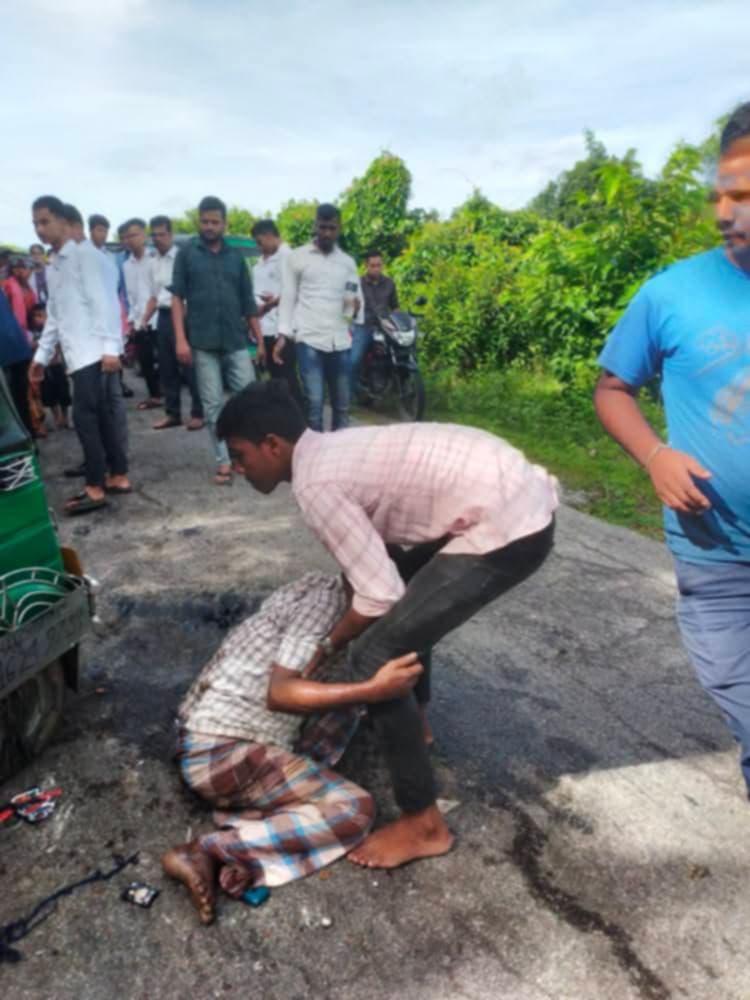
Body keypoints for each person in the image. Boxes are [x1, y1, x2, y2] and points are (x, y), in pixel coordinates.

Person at [217, 381, 558, 868]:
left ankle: (424, 824)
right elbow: (384, 569)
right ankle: (416, 721)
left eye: (240, 455)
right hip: (509, 490)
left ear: (272, 445)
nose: (237, 469)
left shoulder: (314, 485)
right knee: (407, 605)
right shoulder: (327, 450)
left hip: (510, 524)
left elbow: (378, 596)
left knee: (372, 655)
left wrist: (327, 646)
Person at [594, 101, 750, 797]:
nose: (726, 210)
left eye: (745, 193)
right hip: (718, 558)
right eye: (722, 192)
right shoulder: (670, 295)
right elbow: (612, 389)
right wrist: (655, 455)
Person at [162, 571, 423, 925]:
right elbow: (281, 693)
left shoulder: (320, 584)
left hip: (203, 735)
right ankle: (206, 850)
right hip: (220, 753)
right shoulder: (325, 610)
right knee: (354, 809)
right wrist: (374, 691)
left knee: (349, 697)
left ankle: (258, 829)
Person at [29, 195, 130, 514]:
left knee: (85, 419)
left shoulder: (84, 257)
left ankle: (94, 486)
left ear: (63, 222)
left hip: (93, 353)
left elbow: (104, 303)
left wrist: (111, 348)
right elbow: (55, 316)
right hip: (78, 354)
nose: (40, 229)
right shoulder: (55, 265)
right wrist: (41, 356)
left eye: (45, 221)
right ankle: (118, 475)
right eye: (35, 224)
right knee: (101, 417)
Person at [171, 195, 264, 485]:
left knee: (249, 398)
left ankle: (245, 455)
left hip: (235, 340)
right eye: (205, 221)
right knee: (212, 405)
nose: (209, 227)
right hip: (202, 342)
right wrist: (180, 340)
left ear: (225, 224)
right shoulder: (187, 254)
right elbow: (177, 298)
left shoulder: (235, 258)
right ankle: (224, 460)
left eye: (215, 222)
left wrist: (260, 340)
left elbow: (248, 301)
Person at [276, 203, 361, 432]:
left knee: (342, 406)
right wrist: (283, 334)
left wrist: (355, 309)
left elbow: (353, 305)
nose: (327, 233)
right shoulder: (297, 257)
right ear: (315, 225)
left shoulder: (348, 263)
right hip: (309, 340)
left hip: (339, 341)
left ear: (339, 228)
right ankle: (315, 453)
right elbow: (288, 297)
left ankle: (340, 452)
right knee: (314, 404)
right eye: (322, 227)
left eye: (332, 228)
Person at [141, 215, 204, 431]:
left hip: (185, 315)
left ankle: (198, 413)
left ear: (170, 234)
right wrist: (143, 319)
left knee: (189, 366)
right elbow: (154, 296)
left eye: (162, 234)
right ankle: (173, 413)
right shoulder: (153, 263)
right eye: (154, 235)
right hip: (163, 317)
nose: (158, 239)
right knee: (167, 367)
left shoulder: (183, 257)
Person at [251, 219, 302, 405]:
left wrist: (271, 303)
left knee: (286, 378)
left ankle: (299, 416)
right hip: (265, 327)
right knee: (274, 378)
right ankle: (282, 416)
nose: (259, 247)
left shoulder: (288, 257)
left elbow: (294, 291)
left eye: (260, 242)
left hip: (283, 329)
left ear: (269, 236)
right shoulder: (260, 263)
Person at [3, 256, 45, 437]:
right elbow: (16, 318)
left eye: (28, 268)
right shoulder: (8, 286)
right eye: (22, 268)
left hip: (23, 341)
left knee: (29, 387)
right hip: (15, 343)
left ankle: (33, 424)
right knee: (20, 390)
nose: (26, 272)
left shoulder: (26, 287)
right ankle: (30, 427)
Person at [122, 218, 161, 409]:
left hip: (159, 317)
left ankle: (170, 396)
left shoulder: (155, 259)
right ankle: (155, 396)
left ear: (144, 235)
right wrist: (132, 321)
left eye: (134, 235)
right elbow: (131, 296)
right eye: (127, 236)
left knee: (167, 361)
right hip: (139, 321)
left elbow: (159, 291)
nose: (131, 239)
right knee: (145, 361)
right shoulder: (126, 265)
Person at [350, 250, 399, 395]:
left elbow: (395, 307)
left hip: (385, 326)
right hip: (364, 325)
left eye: (379, 265)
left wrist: (398, 322)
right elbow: (348, 308)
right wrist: (353, 309)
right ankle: (349, 394)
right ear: (366, 266)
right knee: (354, 360)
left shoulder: (389, 283)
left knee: (402, 351)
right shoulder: (357, 283)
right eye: (373, 265)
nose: (376, 269)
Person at [29, 302, 70, 430]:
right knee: (49, 395)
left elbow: (60, 347)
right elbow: (32, 346)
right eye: (36, 316)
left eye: (41, 316)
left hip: (57, 367)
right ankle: (57, 418)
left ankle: (65, 418)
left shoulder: (55, 330)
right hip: (44, 369)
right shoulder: (33, 333)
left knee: (63, 393)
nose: (38, 319)